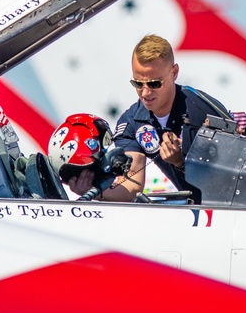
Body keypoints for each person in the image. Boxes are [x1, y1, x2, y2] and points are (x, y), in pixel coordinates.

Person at [61, 34, 232, 202]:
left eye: (154, 83)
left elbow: (230, 178)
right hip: (196, 213)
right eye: (138, 83)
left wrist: (180, 162)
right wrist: (95, 192)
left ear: (174, 73)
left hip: (232, 208)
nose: (145, 93)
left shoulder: (202, 111)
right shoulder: (130, 122)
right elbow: (132, 185)